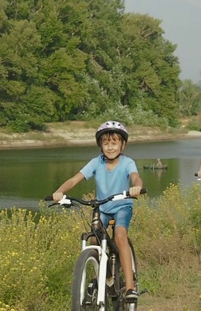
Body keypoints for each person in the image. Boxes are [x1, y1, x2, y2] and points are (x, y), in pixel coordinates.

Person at [53, 120, 143, 300]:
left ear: (122, 144)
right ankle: (105, 276)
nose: (110, 147)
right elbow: (74, 179)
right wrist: (60, 191)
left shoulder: (127, 163)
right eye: (106, 143)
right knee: (93, 237)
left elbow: (135, 178)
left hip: (122, 205)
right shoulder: (96, 163)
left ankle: (130, 288)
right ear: (100, 145)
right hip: (102, 207)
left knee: (120, 236)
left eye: (114, 142)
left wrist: (137, 187)